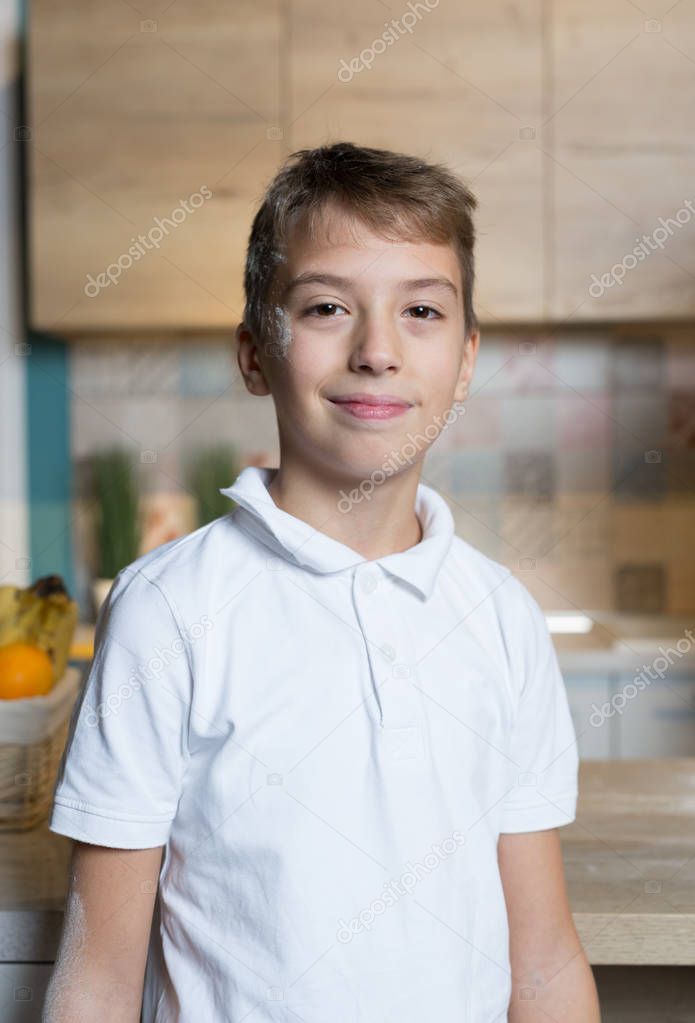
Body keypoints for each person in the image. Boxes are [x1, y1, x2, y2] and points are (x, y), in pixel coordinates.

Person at [44, 141, 600, 1022]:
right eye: (328, 307)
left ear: (463, 362)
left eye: (421, 309)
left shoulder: (500, 616)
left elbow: (542, 964)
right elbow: (99, 979)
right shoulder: (168, 610)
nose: (377, 350)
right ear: (255, 353)